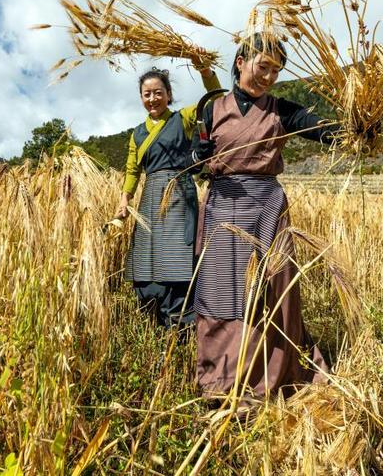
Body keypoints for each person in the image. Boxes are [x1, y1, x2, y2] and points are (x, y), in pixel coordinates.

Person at [191, 33, 339, 405]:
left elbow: (320, 128)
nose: (269, 76)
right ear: (241, 62)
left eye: (276, 70)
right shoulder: (212, 108)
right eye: (263, 66)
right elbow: (198, 155)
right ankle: (221, 379)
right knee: (221, 294)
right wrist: (200, 152)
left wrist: (354, 127)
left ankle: (274, 371)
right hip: (223, 205)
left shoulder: (282, 110)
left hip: (266, 207)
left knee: (270, 293)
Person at [118, 64, 222, 329]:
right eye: (146, 94)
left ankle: (181, 324)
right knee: (146, 256)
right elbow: (133, 169)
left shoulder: (184, 118)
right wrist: (124, 199)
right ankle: (153, 318)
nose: (152, 99)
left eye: (158, 92)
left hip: (179, 192)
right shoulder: (137, 133)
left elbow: (217, 102)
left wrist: (206, 73)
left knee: (177, 254)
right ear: (141, 97)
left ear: (168, 94)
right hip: (150, 196)